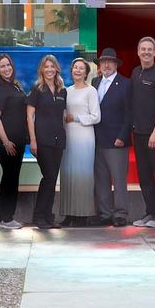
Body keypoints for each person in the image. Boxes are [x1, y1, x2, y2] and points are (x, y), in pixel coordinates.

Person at [128, 38, 155, 228]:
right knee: (144, 175)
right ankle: (149, 212)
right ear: (138, 52)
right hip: (138, 134)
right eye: (143, 49)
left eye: (149, 50)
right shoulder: (135, 73)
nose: (146, 52)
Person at [26, 55, 68, 231]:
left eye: (52, 66)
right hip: (42, 140)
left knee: (52, 179)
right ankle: (39, 216)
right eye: (46, 67)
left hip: (59, 140)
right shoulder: (37, 89)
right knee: (49, 177)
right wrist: (33, 140)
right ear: (42, 70)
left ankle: (48, 216)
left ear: (56, 69)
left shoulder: (62, 90)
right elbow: (29, 116)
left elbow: (63, 115)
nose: (49, 69)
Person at [0, 55, 29, 229]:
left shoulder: (15, 86)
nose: (6, 69)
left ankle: (6, 217)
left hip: (17, 140)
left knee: (12, 177)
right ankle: (5, 218)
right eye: (2, 66)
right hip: (6, 142)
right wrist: (6, 141)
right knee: (9, 177)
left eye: (8, 65)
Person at [91, 49, 130, 227]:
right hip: (97, 139)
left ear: (116, 64)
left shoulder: (125, 84)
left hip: (116, 141)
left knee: (119, 179)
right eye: (103, 61)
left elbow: (130, 113)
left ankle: (121, 214)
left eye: (110, 62)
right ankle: (105, 213)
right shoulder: (95, 81)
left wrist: (122, 136)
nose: (106, 65)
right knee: (101, 179)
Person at [60, 58, 100, 227]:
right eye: (75, 67)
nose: (77, 70)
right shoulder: (66, 91)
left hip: (84, 138)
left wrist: (75, 118)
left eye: (81, 68)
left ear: (86, 72)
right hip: (68, 137)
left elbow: (96, 117)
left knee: (83, 177)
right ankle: (69, 213)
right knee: (68, 175)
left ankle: (82, 215)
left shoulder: (91, 91)